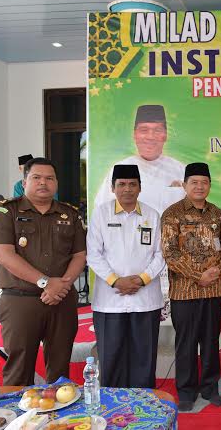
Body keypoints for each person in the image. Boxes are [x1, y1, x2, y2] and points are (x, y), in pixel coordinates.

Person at [0, 157, 87, 385]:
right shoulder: (6, 212)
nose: (43, 182)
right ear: (24, 182)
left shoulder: (70, 214)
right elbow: (4, 255)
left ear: (56, 183)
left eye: (49, 178)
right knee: (19, 371)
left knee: (60, 372)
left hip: (61, 300)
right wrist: (46, 283)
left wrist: (62, 285)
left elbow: (79, 255)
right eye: (37, 177)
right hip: (21, 301)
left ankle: (57, 409)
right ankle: (17, 409)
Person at [86, 164, 165, 388]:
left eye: (132, 184)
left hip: (145, 299)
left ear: (140, 187)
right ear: (113, 188)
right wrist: (116, 281)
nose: (127, 189)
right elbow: (93, 254)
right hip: (110, 301)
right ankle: (112, 402)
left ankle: (144, 402)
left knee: (144, 358)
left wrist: (142, 279)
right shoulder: (101, 214)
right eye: (121, 184)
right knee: (111, 357)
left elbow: (161, 254)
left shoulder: (152, 215)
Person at [161, 163, 221, 411]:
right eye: (194, 182)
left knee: (210, 341)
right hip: (184, 291)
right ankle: (186, 391)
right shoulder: (173, 214)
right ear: (184, 185)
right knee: (186, 343)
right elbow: (170, 252)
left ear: (210, 185)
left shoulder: (218, 214)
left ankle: (210, 388)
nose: (199, 187)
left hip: (213, 290)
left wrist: (215, 272)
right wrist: (198, 275)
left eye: (204, 182)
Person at [94, 105, 185, 214]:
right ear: (135, 135)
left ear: (165, 135)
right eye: (144, 130)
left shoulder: (180, 169)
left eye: (157, 130)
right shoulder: (119, 169)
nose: (150, 137)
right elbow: (101, 210)